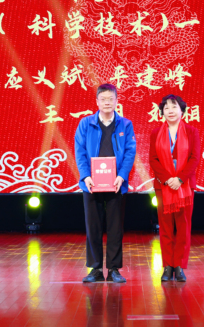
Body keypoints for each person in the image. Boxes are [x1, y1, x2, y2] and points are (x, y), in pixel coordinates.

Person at [75, 83, 136, 284]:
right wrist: (86, 176)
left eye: (111, 99)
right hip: (92, 184)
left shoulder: (125, 124)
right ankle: (95, 269)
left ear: (117, 101)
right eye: (103, 99)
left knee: (115, 228)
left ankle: (114, 269)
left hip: (116, 183)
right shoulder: (85, 124)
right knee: (93, 226)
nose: (107, 102)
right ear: (97, 102)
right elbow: (80, 152)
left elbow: (130, 152)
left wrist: (122, 176)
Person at [148, 94, 201, 283]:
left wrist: (179, 179)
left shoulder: (192, 131)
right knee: (165, 228)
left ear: (182, 111)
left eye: (174, 107)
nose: (170, 111)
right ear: (162, 112)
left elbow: (195, 158)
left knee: (183, 228)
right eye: (166, 108)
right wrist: (167, 179)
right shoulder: (156, 133)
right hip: (164, 186)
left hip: (184, 185)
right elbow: (153, 159)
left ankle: (179, 266)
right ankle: (167, 266)